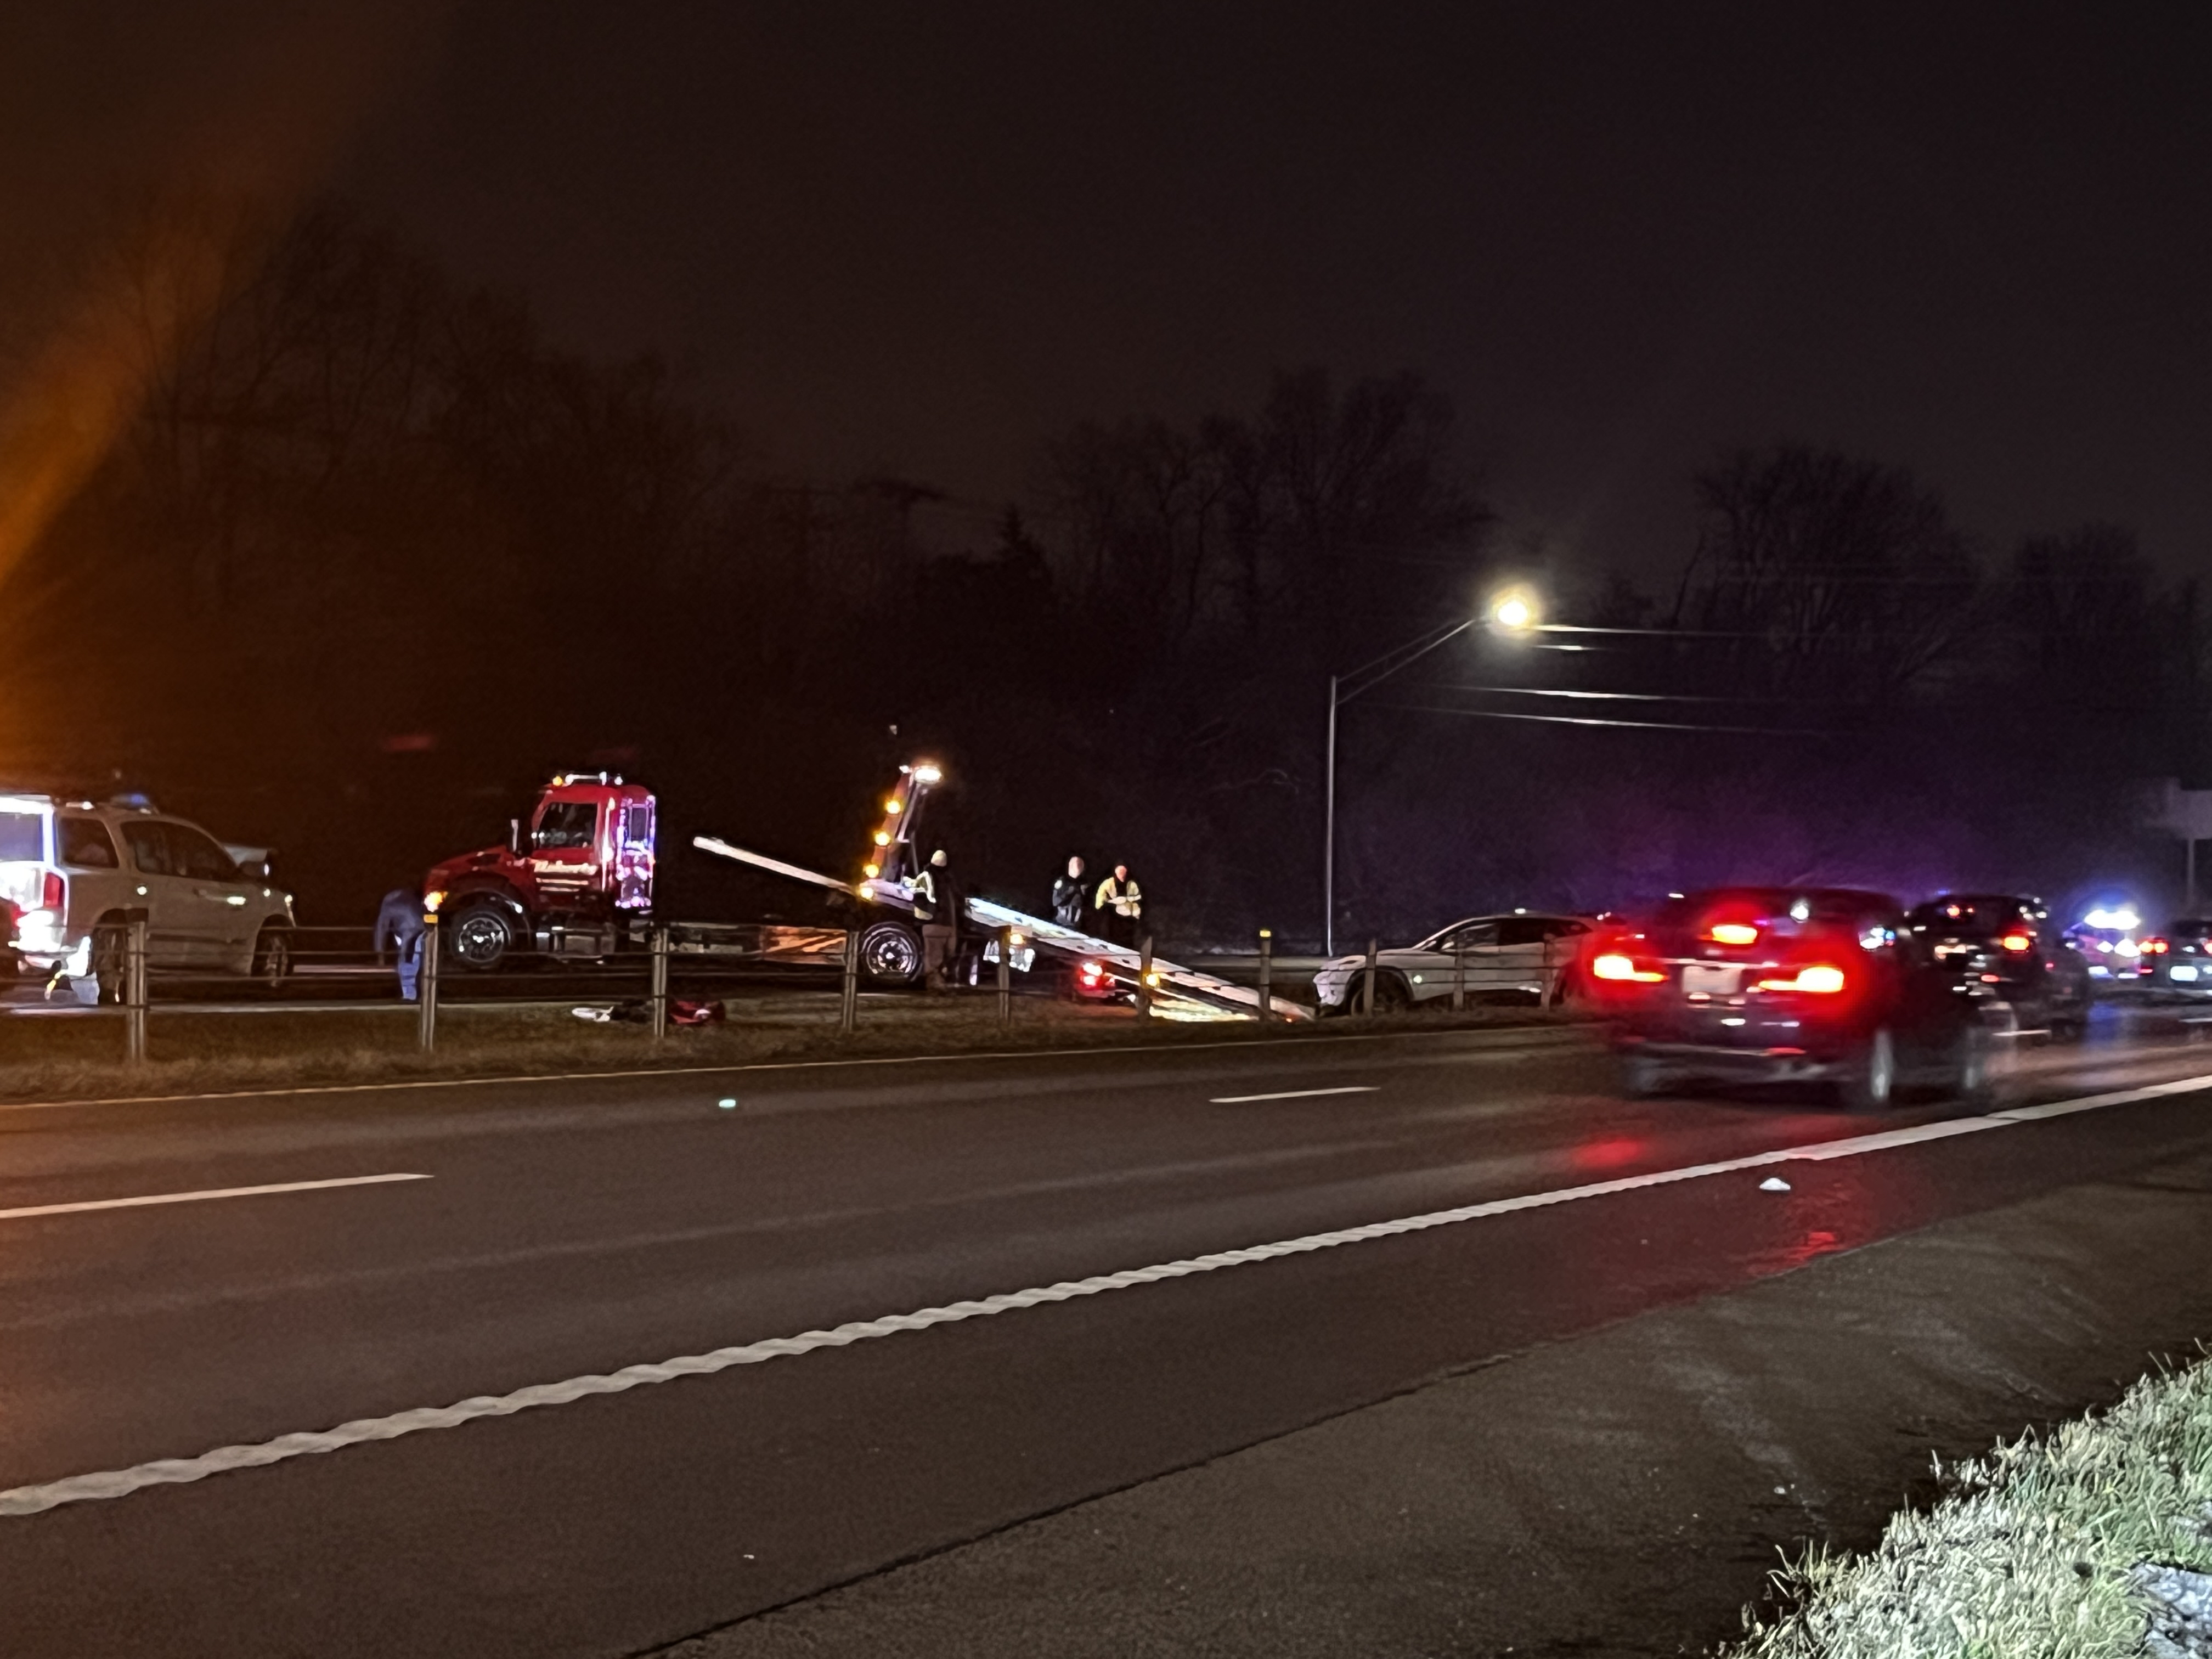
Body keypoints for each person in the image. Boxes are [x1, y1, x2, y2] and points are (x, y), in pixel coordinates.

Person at [911, 849, 961, 991]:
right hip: (935, 924)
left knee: (947, 954)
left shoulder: (947, 879)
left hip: (948, 924)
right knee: (935, 956)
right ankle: (934, 985)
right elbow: (919, 899)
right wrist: (932, 912)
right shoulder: (927, 877)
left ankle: (938, 982)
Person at [373, 887, 427, 1001]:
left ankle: (410, 996)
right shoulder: (410, 896)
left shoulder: (388, 905)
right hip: (427, 932)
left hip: (413, 934)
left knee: (406, 964)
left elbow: (381, 929)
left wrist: (380, 955)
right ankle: (426, 995)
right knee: (423, 965)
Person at [1094, 863, 1142, 947]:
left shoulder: (1132, 884)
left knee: (1127, 937)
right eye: (1120, 871)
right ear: (1116, 872)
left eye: (1124, 871)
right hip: (1113, 914)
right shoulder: (1109, 883)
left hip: (1128, 915)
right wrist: (1110, 902)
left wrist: (1126, 900)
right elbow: (1100, 896)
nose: (1122, 873)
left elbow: (1139, 897)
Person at [1051, 855, 1087, 930]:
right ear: (1070, 865)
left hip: (1075, 928)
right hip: (1060, 924)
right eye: (1076, 863)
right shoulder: (1062, 881)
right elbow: (1055, 902)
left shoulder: (1085, 885)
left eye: (1080, 864)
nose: (1078, 866)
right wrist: (1069, 893)